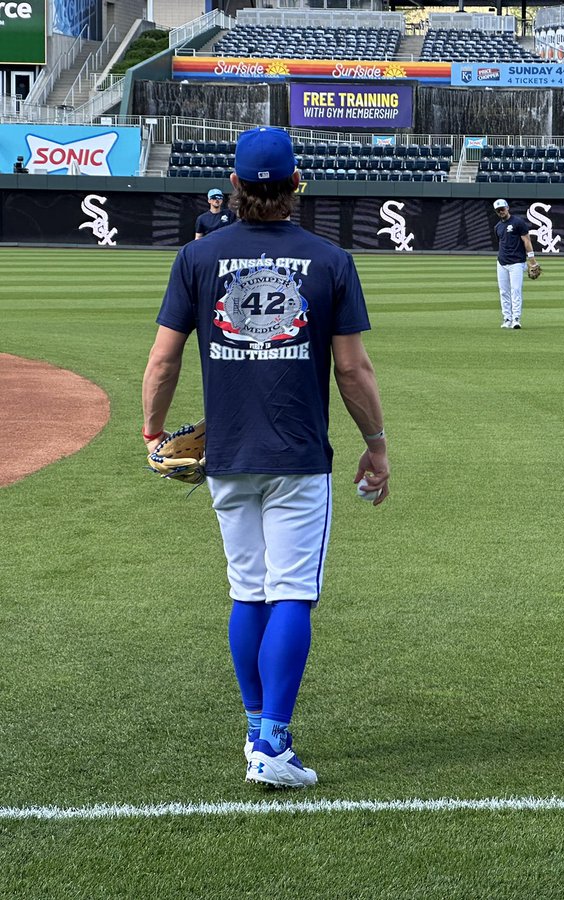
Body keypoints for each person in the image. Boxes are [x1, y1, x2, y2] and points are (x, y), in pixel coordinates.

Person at [141, 126, 390, 788]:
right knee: (292, 594)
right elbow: (353, 370)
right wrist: (376, 446)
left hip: (227, 453)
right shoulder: (330, 260)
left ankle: (257, 731)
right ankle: (273, 745)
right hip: (298, 455)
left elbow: (163, 359)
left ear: (234, 184)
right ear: (296, 184)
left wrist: (152, 430)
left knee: (247, 590)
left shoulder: (197, 257)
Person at [493, 198, 537, 329]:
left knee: (516, 290)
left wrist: (532, 260)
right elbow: (501, 243)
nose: (501, 212)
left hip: (517, 262)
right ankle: (507, 318)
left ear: (507, 208)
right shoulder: (497, 227)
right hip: (502, 262)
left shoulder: (518, 222)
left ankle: (516, 319)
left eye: (502, 209)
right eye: (498, 210)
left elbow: (527, 241)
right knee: (503, 292)